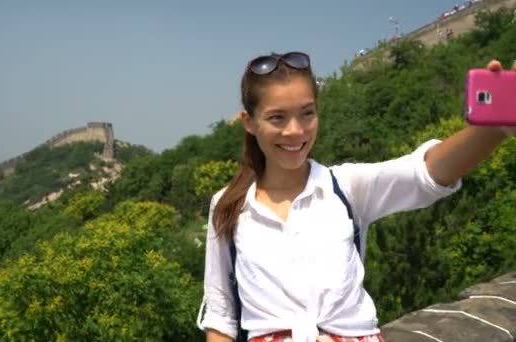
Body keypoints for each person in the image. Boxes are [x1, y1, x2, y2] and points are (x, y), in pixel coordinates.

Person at [196, 51, 514, 342]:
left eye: (307, 114)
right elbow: (221, 313)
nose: (295, 131)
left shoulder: (344, 187)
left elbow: (426, 174)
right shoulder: (229, 205)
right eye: (277, 118)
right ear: (249, 123)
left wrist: (496, 126)